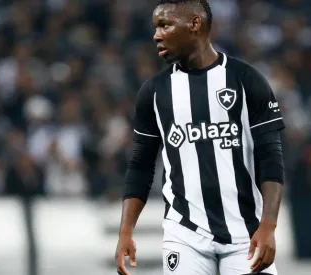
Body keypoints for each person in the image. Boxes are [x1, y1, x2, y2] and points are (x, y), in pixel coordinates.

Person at [115, 0, 285, 274]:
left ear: (195, 24)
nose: (156, 35)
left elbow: (271, 157)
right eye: (155, 27)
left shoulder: (246, 80)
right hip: (184, 235)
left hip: (247, 234)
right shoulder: (154, 92)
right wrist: (126, 231)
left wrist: (268, 226)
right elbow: (140, 165)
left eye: (165, 25)